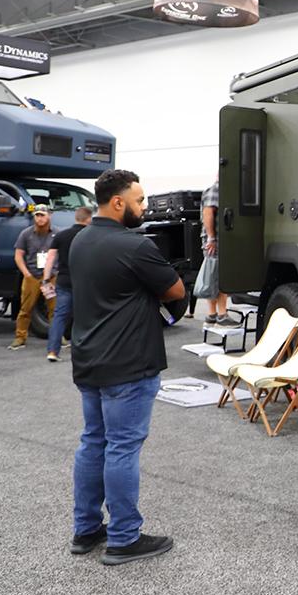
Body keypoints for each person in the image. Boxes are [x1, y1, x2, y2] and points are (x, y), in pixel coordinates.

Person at [69, 170, 184, 565]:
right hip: (129, 363)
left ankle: (86, 529)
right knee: (121, 447)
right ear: (118, 202)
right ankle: (123, 537)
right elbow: (175, 290)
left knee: (93, 442)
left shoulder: (79, 240)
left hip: (89, 359)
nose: (144, 206)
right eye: (139, 200)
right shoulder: (135, 245)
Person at [43, 206, 92, 362]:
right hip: (84, 282)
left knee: (59, 316)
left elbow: (50, 258)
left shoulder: (61, 235)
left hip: (64, 280)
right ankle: (83, 352)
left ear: (76, 218)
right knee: (84, 316)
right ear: (88, 219)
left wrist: (46, 279)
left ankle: (52, 351)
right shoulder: (90, 235)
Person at [10, 205, 57, 350]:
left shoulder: (56, 233)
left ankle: (57, 336)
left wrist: (57, 272)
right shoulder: (26, 234)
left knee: (54, 309)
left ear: (49, 216)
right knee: (26, 308)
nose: (39, 218)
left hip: (50, 277)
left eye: (43, 215)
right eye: (37, 215)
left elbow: (63, 253)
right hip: (32, 275)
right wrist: (26, 273)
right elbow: (18, 255)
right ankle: (20, 337)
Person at [199, 177, 229, 325]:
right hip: (215, 242)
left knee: (213, 276)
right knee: (220, 276)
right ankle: (222, 314)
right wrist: (211, 238)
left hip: (213, 241)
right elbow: (208, 212)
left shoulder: (214, 190)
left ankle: (212, 314)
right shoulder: (216, 190)